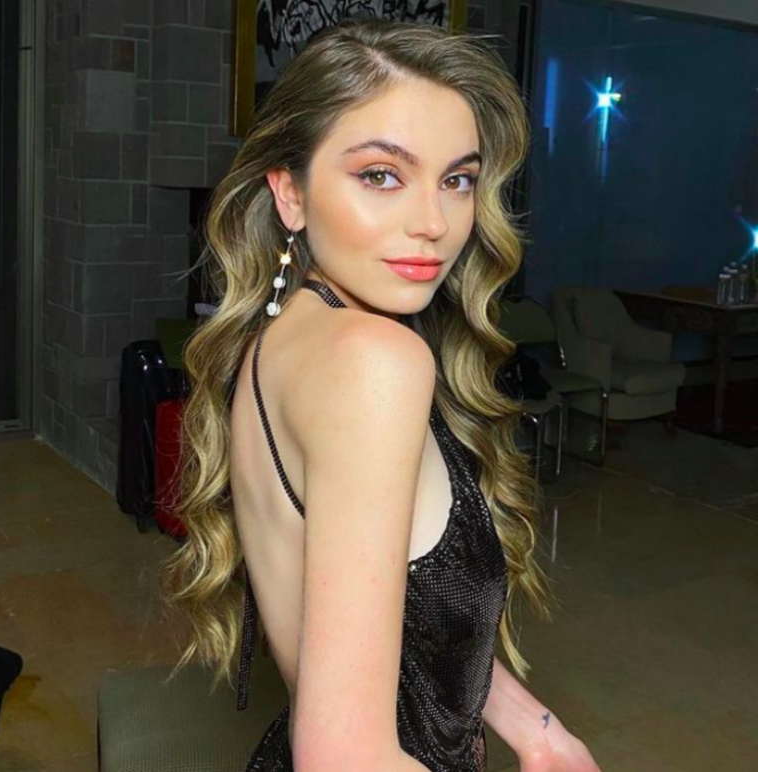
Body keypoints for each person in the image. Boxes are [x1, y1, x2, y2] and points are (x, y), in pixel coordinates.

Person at [163, 18, 602, 772]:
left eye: (457, 180)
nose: (434, 224)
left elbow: (403, 618)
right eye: (380, 175)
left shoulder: (285, 334)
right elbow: (342, 757)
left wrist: (537, 729)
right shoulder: (376, 362)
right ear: (291, 194)